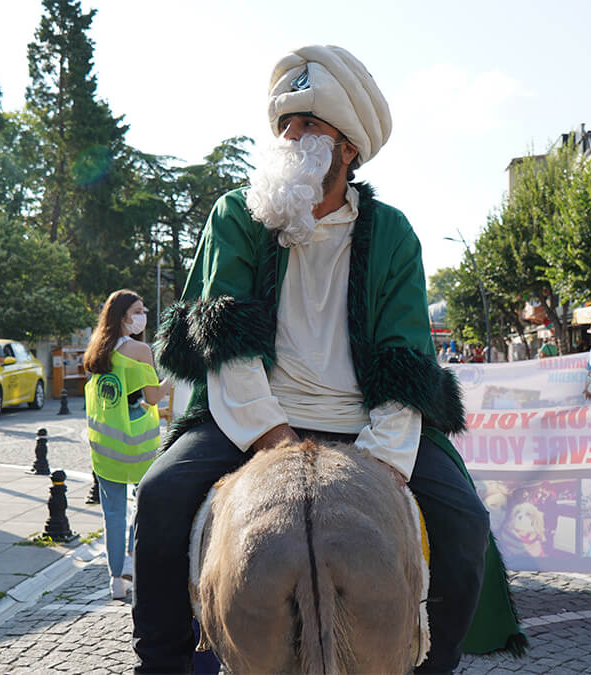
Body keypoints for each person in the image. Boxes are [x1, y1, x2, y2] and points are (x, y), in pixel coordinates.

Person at [133, 45, 523, 673]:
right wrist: (271, 434)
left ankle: (434, 663)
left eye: (308, 124)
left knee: (466, 523)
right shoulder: (236, 215)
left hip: (367, 423)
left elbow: (404, 359)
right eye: (284, 123)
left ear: (347, 149)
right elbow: (224, 341)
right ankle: (163, 663)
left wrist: (382, 459)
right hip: (250, 417)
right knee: (159, 494)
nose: (290, 136)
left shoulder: (391, 233)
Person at [83, 290, 173, 600]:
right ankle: (132, 568)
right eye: (138, 310)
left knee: (112, 513)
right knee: (141, 506)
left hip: (104, 444)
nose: (143, 314)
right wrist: (174, 377)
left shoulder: (97, 350)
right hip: (137, 444)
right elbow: (151, 397)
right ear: (123, 316)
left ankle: (115, 581)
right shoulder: (140, 350)